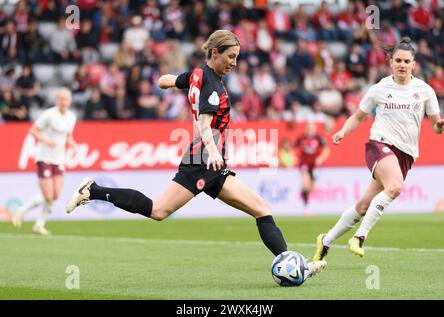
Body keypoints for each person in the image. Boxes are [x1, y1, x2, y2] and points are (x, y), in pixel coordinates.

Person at [66, 30, 326, 275]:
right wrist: (212, 151)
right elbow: (204, 123)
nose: (234, 62)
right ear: (214, 52)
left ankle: (293, 265)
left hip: (210, 162)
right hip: (203, 160)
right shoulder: (211, 84)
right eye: (230, 56)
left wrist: (170, 83)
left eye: (237, 57)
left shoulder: (197, 74)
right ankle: (94, 190)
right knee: (158, 211)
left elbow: (164, 80)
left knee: (261, 208)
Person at [313, 37, 444, 261]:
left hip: (405, 155)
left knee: (364, 206)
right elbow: (358, 116)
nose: (402, 65)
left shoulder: (425, 91)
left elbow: (435, 125)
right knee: (395, 186)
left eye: (407, 61)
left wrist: (440, 125)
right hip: (380, 144)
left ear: (414, 64)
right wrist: (342, 132)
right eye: (398, 60)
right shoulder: (380, 88)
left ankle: (325, 241)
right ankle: (360, 237)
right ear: (391, 62)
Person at [12, 88, 77, 235]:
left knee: (55, 195)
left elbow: (69, 136)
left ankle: (39, 225)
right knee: (48, 195)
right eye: (61, 99)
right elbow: (33, 131)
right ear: (56, 100)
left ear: (70, 100)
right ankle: (21, 210)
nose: (64, 102)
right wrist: (46, 141)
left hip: (59, 159)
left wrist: (72, 143)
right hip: (45, 158)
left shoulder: (72, 117)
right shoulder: (49, 115)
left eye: (66, 99)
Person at [294, 121, 330, 215]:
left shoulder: (319, 138)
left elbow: (326, 150)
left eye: (312, 128)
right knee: (306, 185)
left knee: (311, 187)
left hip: (315, 166)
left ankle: (304, 197)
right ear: (306, 129)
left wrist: (321, 158)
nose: (311, 130)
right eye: (309, 128)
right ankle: (306, 207)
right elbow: (293, 147)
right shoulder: (301, 138)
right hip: (304, 164)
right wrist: (294, 158)